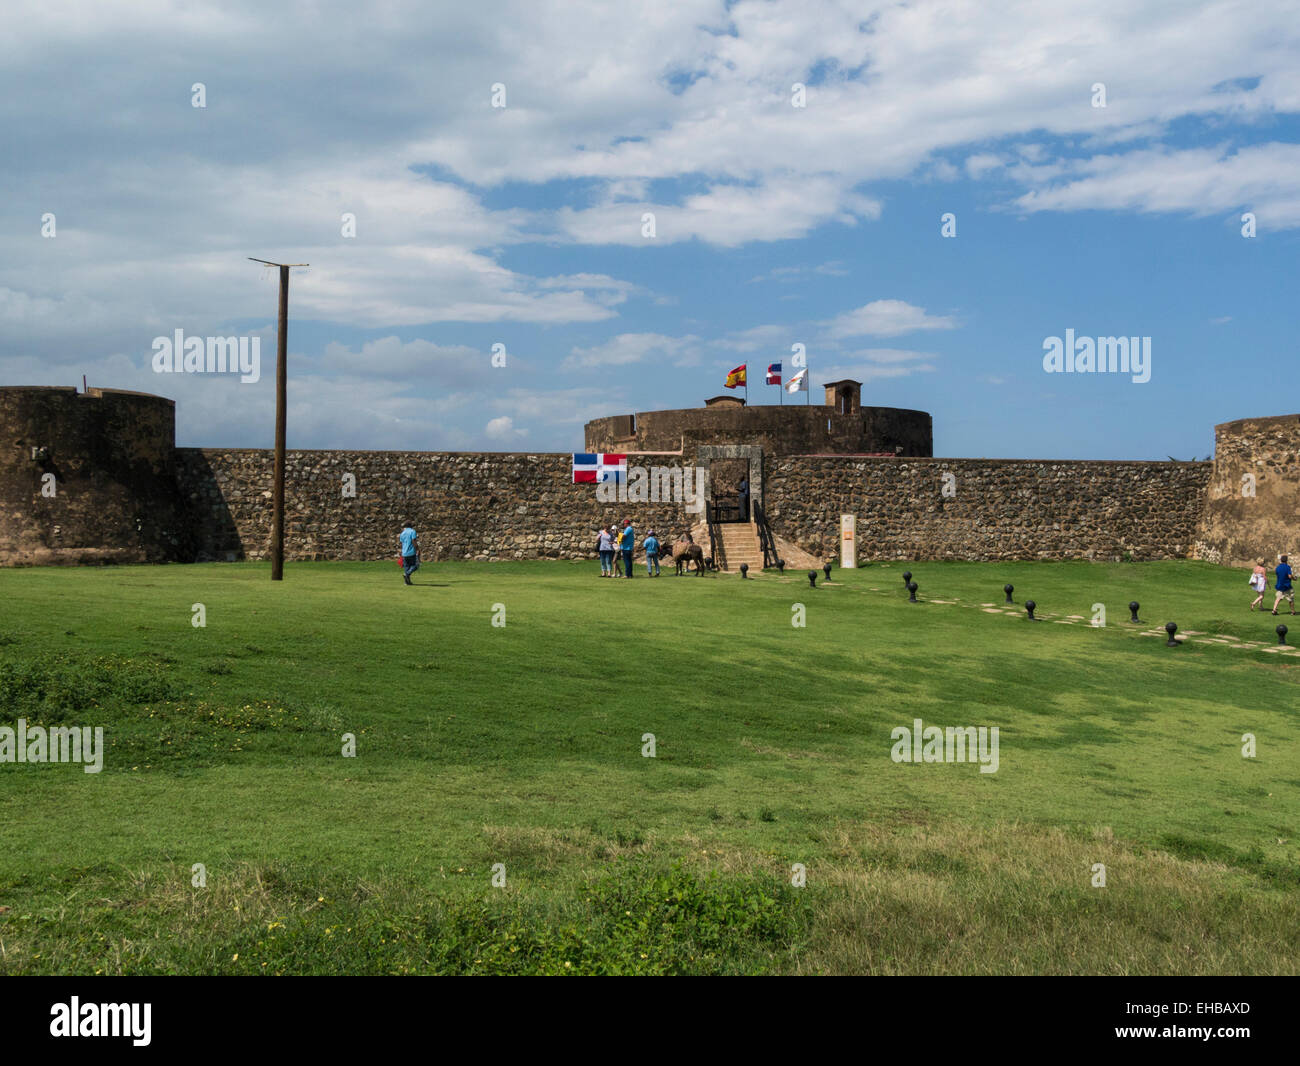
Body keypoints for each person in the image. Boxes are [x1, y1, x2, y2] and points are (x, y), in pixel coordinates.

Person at [398, 521, 419, 585]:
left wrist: (401, 551)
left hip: (404, 552)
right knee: (415, 565)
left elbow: (401, 543)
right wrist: (417, 549)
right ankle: (407, 574)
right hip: (411, 551)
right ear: (411, 526)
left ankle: (407, 582)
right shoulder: (412, 531)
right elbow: (413, 541)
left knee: (406, 567)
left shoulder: (402, 533)